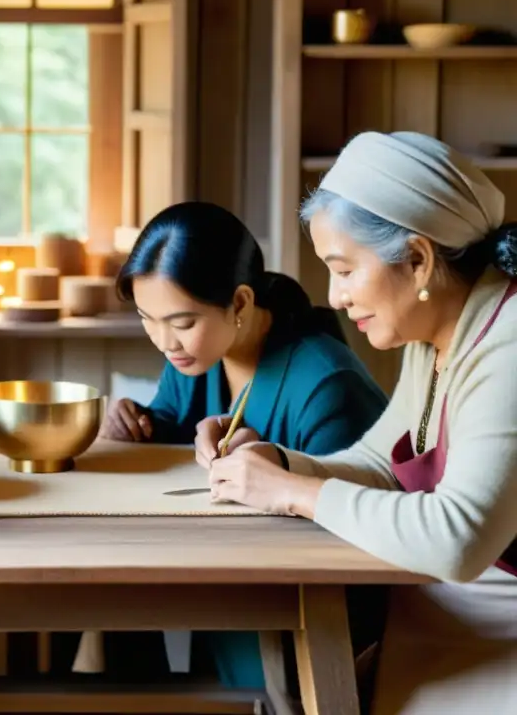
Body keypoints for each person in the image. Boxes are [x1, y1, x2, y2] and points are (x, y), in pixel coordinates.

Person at [199, 131, 517, 714]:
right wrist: (279, 463)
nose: (335, 297)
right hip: (441, 624)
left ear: (418, 259)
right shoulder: (441, 330)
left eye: (343, 270)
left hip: (499, 644)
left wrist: (296, 494)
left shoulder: (509, 341)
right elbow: (382, 462)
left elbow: (460, 540)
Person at [71, 201, 387, 687]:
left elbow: (363, 529)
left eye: (180, 322)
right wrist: (138, 423)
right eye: (146, 318)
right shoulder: (199, 354)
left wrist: (278, 475)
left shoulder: (326, 386)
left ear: (239, 303)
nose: (164, 342)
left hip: (314, 621)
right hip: (228, 583)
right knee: (109, 601)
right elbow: (171, 422)